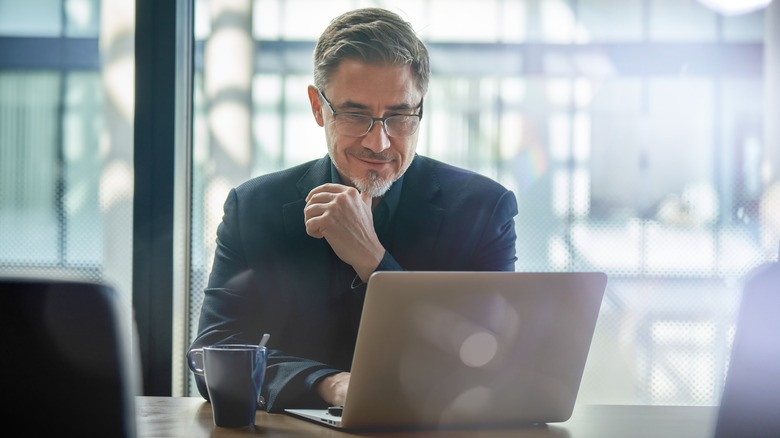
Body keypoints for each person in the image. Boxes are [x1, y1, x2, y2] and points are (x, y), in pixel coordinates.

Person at [189, 7, 518, 413]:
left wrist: (374, 262)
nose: (379, 143)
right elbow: (213, 355)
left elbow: (490, 359)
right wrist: (327, 384)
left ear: (420, 109)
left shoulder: (484, 210)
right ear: (317, 107)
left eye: (399, 116)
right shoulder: (254, 207)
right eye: (355, 114)